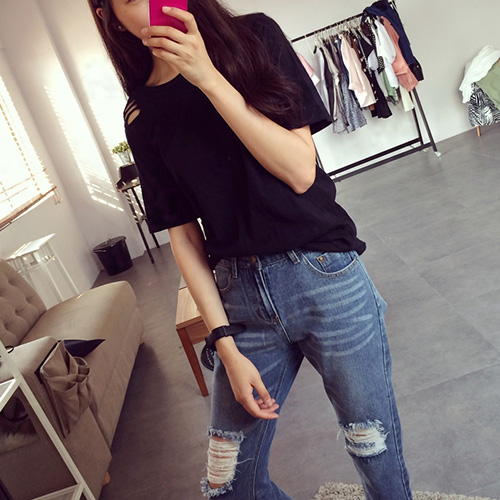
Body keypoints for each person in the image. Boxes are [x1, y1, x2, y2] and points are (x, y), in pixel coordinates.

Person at [88, 1, 412, 498]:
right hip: (240, 301)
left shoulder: (255, 37)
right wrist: (223, 343)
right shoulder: (141, 113)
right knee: (228, 483)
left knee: (374, 449)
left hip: (325, 276)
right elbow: (183, 236)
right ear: (109, 15)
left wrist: (208, 78)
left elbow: (300, 171)